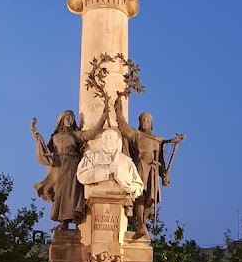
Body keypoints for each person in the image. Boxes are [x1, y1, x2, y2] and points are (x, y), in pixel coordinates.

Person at [114, 96, 184, 238]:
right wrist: (118, 109)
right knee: (140, 194)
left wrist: (164, 175)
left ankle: (143, 222)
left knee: (150, 200)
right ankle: (140, 223)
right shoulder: (136, 135)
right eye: (142, 120)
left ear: (151, 123)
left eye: (147, 120)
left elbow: (161, 156)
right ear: (139, 123)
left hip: (152, 170)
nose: (145, 122)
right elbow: (123, 126)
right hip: (141, 167)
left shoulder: (157, 140)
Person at [31, 104, 109, 228]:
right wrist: (37, 137)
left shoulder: (75, 134)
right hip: (58, 167)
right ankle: (62, 220)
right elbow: (46, 150)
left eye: (71, 117)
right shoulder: (55, 137)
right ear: (61, 119)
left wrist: (102, 118)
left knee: (70, 193)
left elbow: (91, 133)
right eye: (67, 117)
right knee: (59, 193)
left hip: (72, 165)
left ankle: (65, 221)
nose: (69, 120)